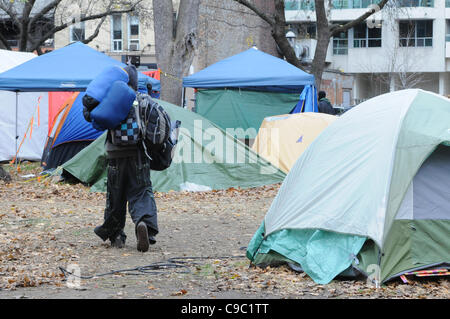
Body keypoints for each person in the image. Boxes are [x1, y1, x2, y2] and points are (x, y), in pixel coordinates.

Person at [91, 65, 158, 253]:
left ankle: (117, 236)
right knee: (141, 191)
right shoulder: (142, 100)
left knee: (115, 196)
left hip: (115, 155)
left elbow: (96, 121)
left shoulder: (111, 100)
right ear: (137, 83)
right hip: (138, 154)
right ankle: (143, 224)